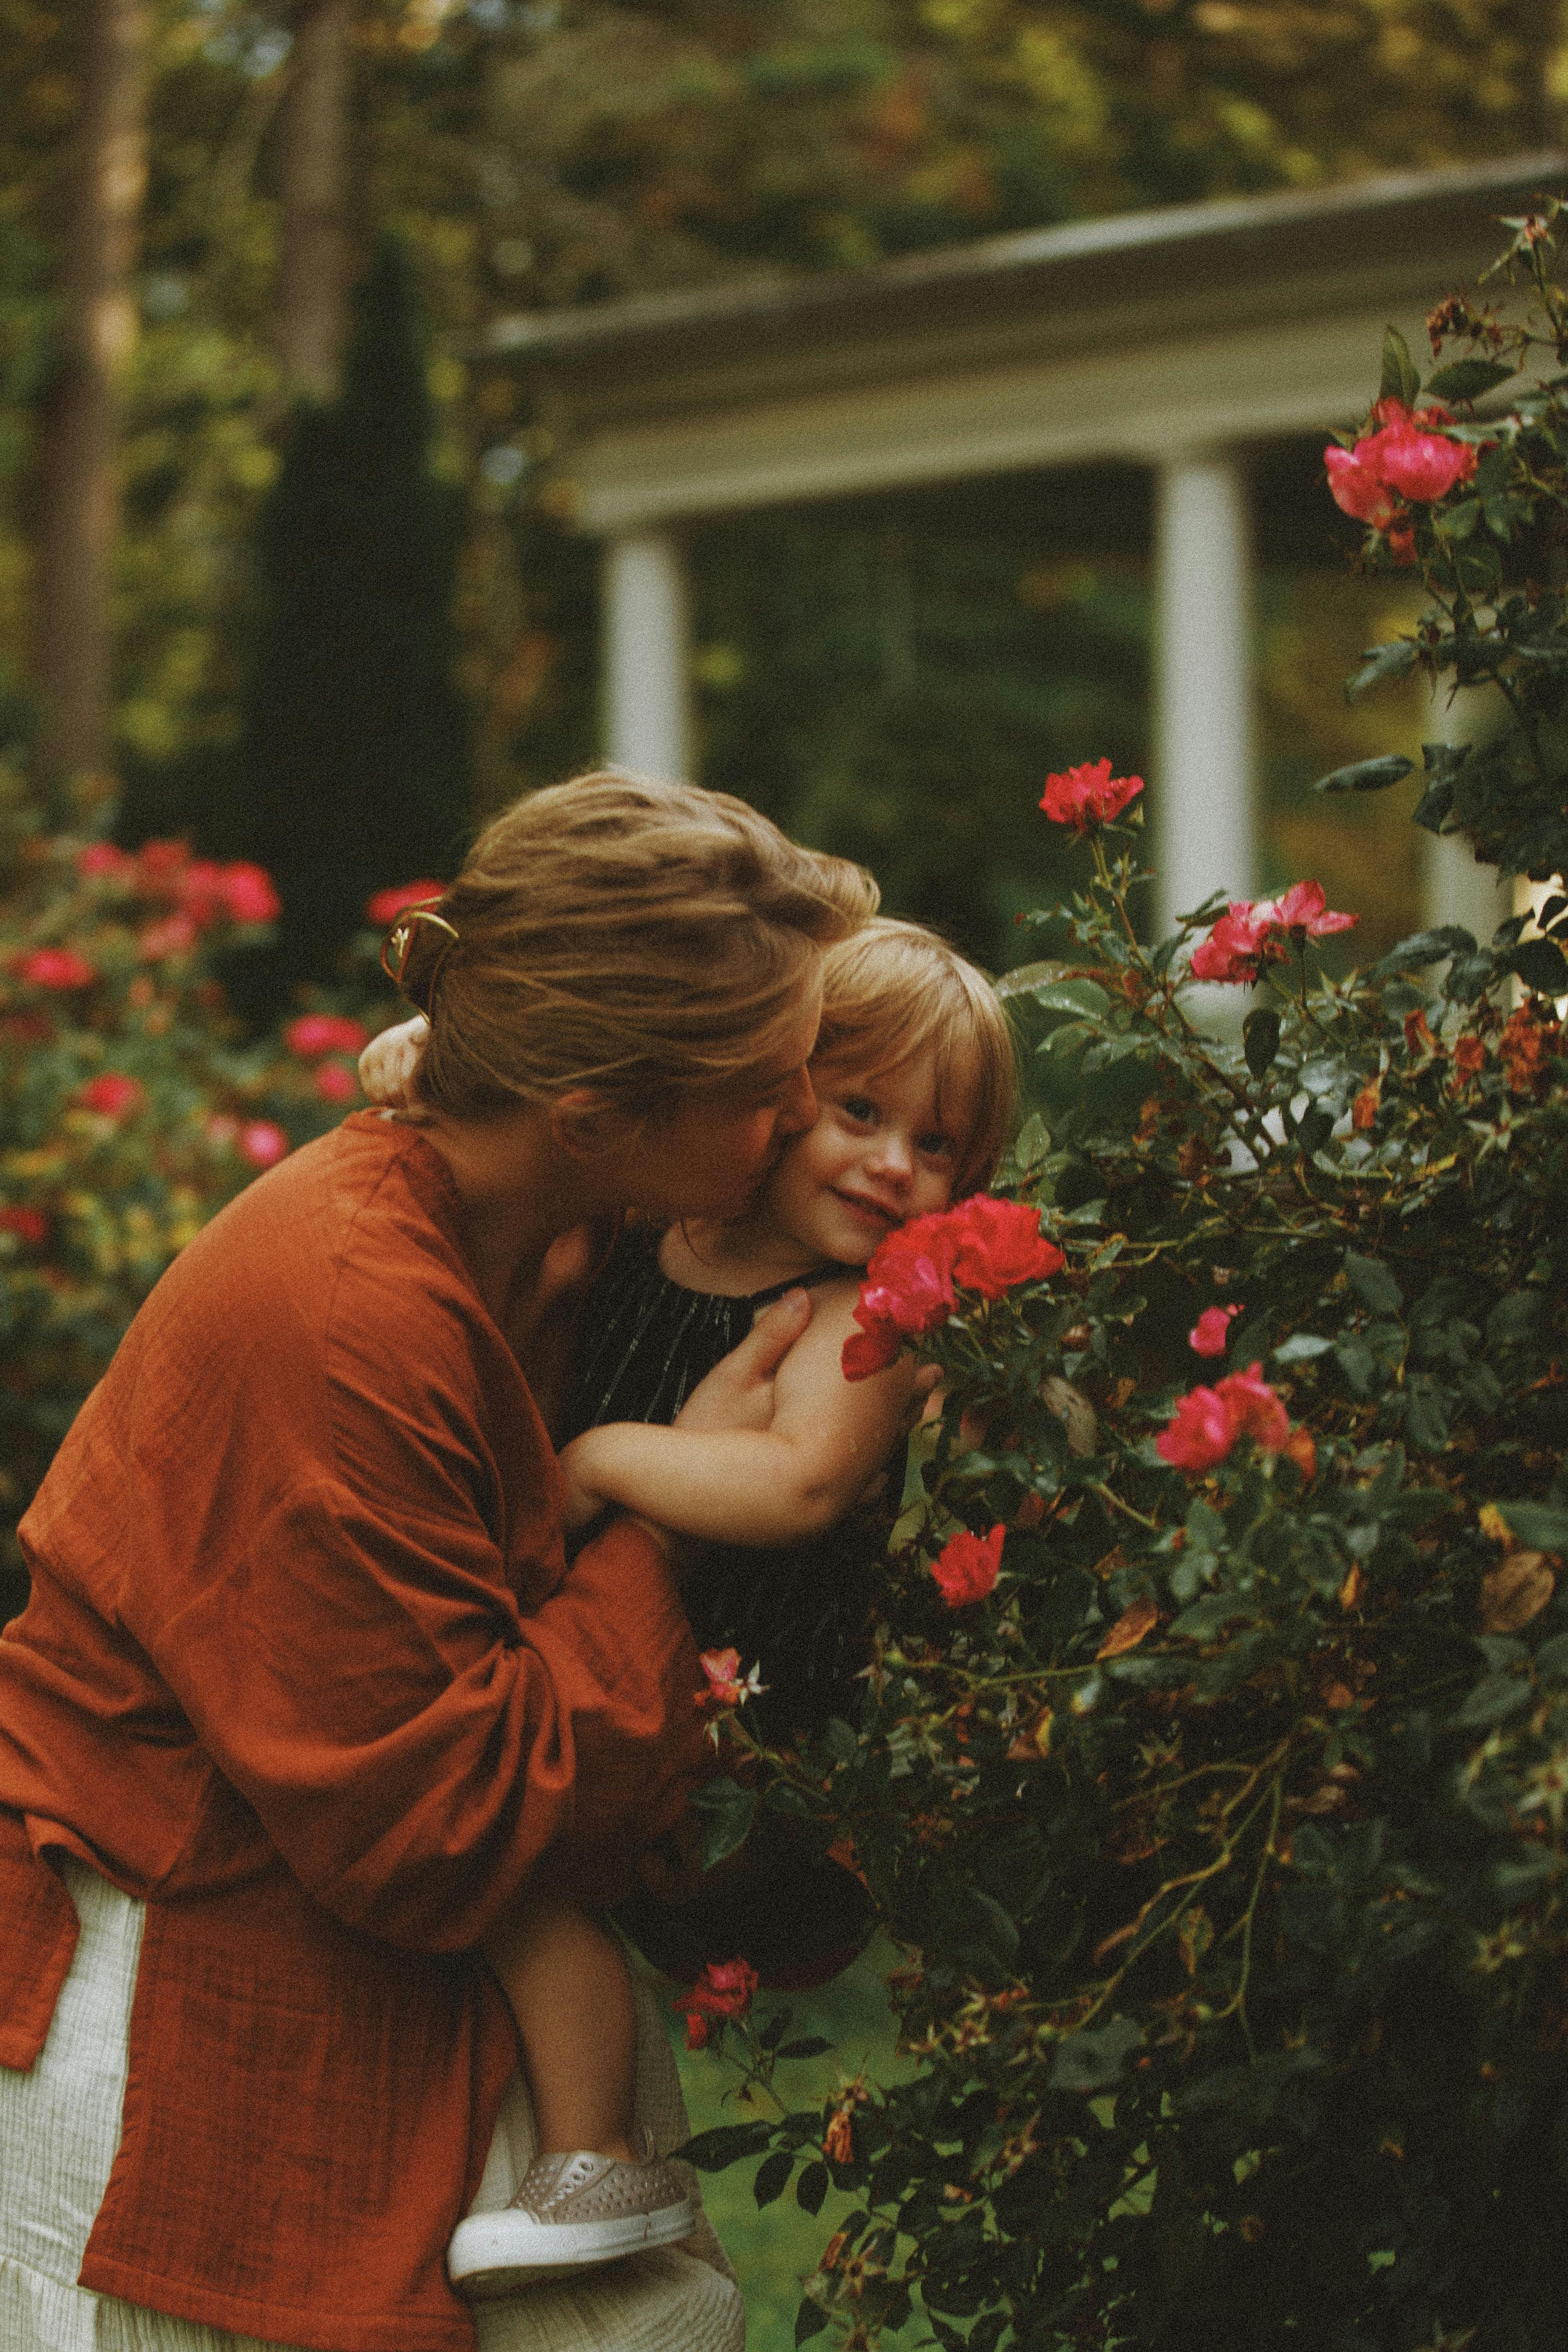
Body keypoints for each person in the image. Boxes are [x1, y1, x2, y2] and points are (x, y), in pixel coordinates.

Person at [0, 772, 876, 2352]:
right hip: (193, 1975)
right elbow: (439, 1811)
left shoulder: (570, 1220)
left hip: (435, 1948)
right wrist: (676, 1508)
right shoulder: (345, 1307)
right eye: (768, 1085)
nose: (805, 1113)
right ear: (595, 1112)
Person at [361, 917, 1018, 2298]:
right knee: (454, 1818)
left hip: (749, 1728)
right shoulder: (657, 1229)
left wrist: (596, 1465)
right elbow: (544, 1119)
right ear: (772, 1094)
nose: (894, 1163)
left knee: (511, 1853)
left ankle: (601, 2164)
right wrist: (449, 1057)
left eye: (939, 1143)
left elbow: (796, 1483)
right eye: (858, 1110)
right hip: (618, 1647)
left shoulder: (859, 1312)